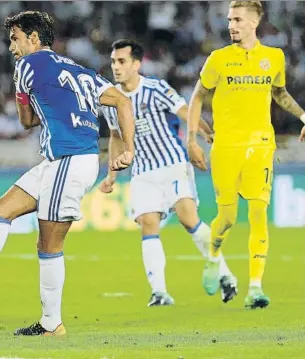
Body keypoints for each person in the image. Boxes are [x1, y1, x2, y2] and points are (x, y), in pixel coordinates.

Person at [0, 10, 135, 336]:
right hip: (62, 161)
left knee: (48, 244)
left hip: (69, 159)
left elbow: (25, 122)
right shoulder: (79, 69)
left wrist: (29, 100)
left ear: (34, 38)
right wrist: (129, 149)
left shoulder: (25, 67)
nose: (11, 46)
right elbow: (122, 101)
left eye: (15, 38)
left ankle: (52, 323)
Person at [98, 39, 238, 306]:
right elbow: (116, 136)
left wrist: (208, 135)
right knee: (148, 225)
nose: (115, 67)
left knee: (189, 220)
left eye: (122, 61)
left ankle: (225, 274)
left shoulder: (156, 88)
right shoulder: (110, 100)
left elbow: (186, 112)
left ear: (136, 64)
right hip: (142, 171)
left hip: (172, 164)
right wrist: (112, 174)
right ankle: (159, 291)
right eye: (113, 61)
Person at [187, 1, 305, 309]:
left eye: (237, 19)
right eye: (229, 19)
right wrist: (192, 138)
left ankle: (255, 287)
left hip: (261, 145)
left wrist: (303, 116)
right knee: (226, 218)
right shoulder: (219, 59)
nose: (231, 25)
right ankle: (213, 257)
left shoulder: (273, 57)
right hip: (225, 146)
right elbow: (198, 95)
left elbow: (278, 92)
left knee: (258, 214)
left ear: (254, 22)